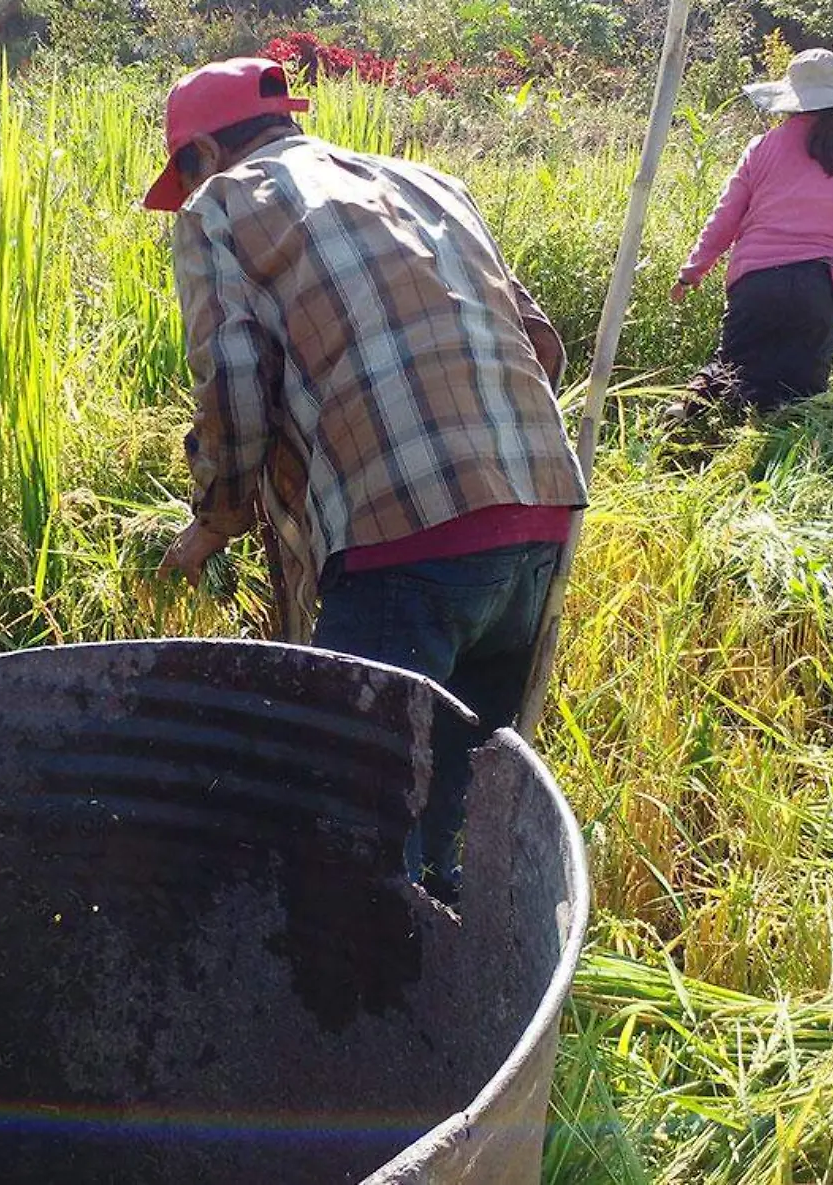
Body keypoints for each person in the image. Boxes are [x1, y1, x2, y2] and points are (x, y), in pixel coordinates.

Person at [146, 58, 585, 901]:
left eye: (185, 170)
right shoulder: (431, 182)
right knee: (451, 805)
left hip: (406, 541)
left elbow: (233, 378)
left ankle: (353, 990)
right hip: (539, 514)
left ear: (202, 152)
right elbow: (542, 344)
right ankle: (450, 980)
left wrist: (216, 519)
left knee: (347, 816)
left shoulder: (220, 208)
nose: (188, 188)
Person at [669, 48, 833, 415]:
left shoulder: (761, 148)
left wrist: (691, 272)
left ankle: (686, 413)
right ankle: (784, 454)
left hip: (755, 281)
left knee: (731, 369)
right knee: (801, 395)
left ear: (790, 99)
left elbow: (725, 216)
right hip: (819, 287)